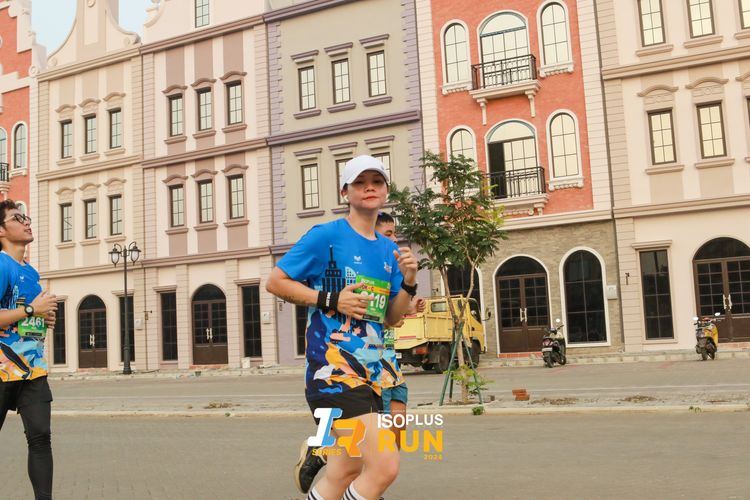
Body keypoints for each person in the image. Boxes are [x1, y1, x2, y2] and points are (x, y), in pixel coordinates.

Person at [267, 155, 418, 500]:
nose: (369, 188)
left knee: (344, 471)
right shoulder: (326, 236)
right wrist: (331, 299)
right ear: (345, 192)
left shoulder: (389, 249)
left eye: (376, 182)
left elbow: (391, 317)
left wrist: (409, 281)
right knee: (384, 466)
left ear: (386, 190)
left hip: (372, 376)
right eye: (359, 182)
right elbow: (275, 282)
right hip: (333, 374)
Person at [0, 200, 58, 500]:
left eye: (26, 217)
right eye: (17, 218)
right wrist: (32, 309)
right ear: (1, 230)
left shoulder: (31, 272)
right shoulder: (1, 265)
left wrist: (44, 318)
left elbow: (27, 317)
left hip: (32, 369)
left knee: (40, 438)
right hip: (2, 370)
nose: (26, 222)